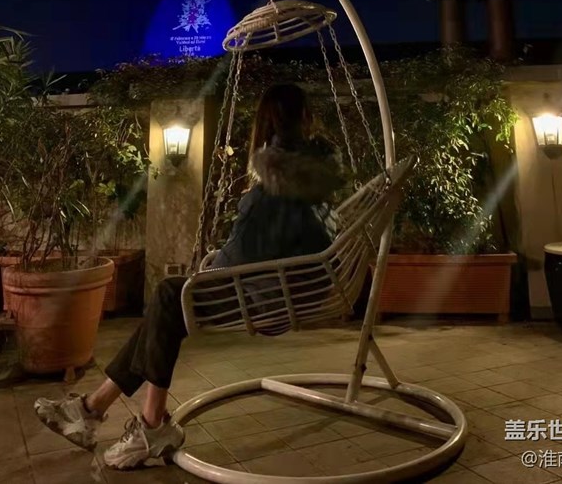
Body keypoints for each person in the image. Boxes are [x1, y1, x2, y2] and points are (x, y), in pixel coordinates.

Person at [34, 83, 345, 470]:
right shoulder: (319, 180)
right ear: (306, 120)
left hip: (272, 300)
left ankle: (147, 423)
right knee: (167, 308)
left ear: (265, 127)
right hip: (298, 289)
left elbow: (234, 260)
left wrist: (204, 274)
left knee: (170, 296)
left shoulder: (269, 195)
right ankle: (92, 410)